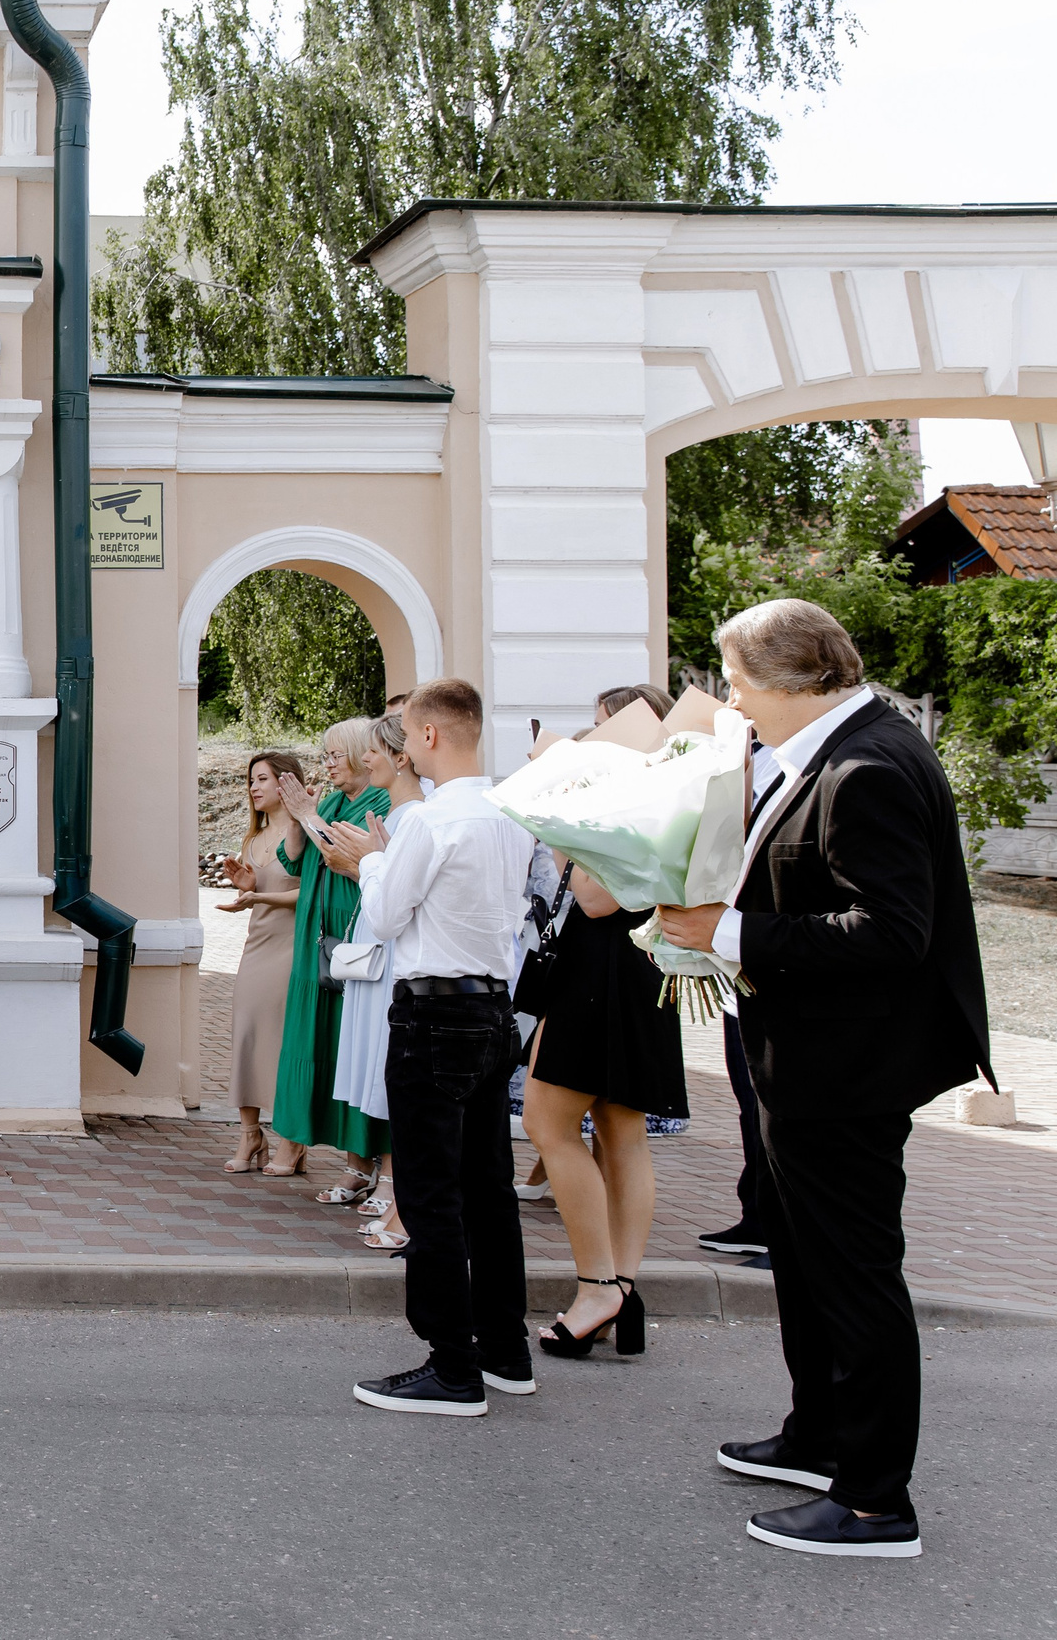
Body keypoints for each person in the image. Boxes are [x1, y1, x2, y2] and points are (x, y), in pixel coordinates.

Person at [656, 598, 991, 1558]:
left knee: (853, 1277)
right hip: (805, 1058)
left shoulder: (869, 766)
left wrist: (727, 932)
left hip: (850, 1069)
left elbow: (892, 933)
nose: (732, 700)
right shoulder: (837, 746)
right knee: (803, 1264)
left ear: (791, 679)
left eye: (738, 680)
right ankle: (821, 1437)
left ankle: (879, 1502)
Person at [325, 679, 536, 1417]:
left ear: (431, 735)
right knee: (488, 1184)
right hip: (492, 1009)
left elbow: (383, 915)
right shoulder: (511, 811)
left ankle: (451, 1362)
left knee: (429, 1190)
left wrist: (372, 859)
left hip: (435, 1013)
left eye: (409, 734)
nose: (406, 747)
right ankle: (504, 1347)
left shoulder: (430, 820)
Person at [519, 855, 686, 1358]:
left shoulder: (619, 789)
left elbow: (595, 898)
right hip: (640, 957)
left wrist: (561, 829)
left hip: (602, 961)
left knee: (549, 1125)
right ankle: (621, 1292)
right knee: (622, 1134)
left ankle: (599, 1288)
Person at [269, 718, 393, 1204]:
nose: (328, 765)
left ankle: (372, 1161)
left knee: (357, 1048)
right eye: (324, 756)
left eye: (335, 755)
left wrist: (307, 815)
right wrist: (297, 813)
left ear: (365, 754)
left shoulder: (381, 802)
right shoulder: (335, 800)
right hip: (315, 939)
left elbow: (341, 853)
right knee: (323, 1047)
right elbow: (296, 858)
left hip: (353, 937)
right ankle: (354, 1165)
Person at [325, 714, 428, 1250]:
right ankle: (397, 1194)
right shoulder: (400, 812)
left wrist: (364, 863)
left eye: (375, 752)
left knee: (398, 1075)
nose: (366, 760)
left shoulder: (416, 816)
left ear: (400, 756)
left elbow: (394, 907)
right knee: (380, 1069)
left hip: (396, 950)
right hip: (378, 941)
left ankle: (399, 1197)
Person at [214, 751, 304, 1174]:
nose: (253, 787)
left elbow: (309, 896)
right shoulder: (252, 839)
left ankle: (292, 1140)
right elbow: (256, 895)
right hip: (256, 947)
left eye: (263, 779)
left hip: (292, 951)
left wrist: (258, 895)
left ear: (286, 784)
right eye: (252, 779)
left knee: (284, 1043)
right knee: (246, 1035)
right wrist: (245, 890)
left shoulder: (302, 832)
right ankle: (250, 1134)